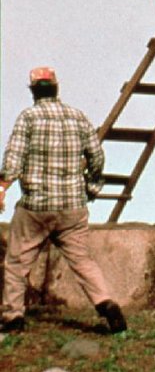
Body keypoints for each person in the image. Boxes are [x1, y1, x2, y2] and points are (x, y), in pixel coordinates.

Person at [0, 67, 127, 335]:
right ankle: (106, 304)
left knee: (17, 262)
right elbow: (96, 156)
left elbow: (14, 157)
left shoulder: (28, 117)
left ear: (33, 90)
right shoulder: (78, 116)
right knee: (82, 261)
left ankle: (13, 317)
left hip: (37, 205)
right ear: (56, 87)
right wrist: (91, 186)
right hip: (72, 206)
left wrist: (2, 186)